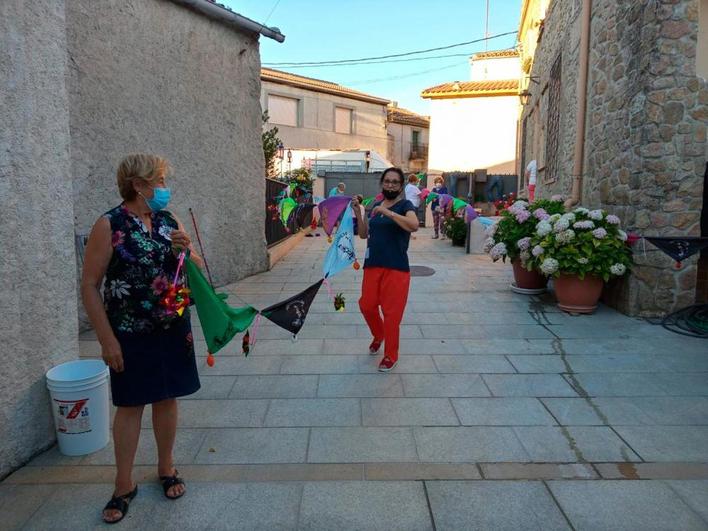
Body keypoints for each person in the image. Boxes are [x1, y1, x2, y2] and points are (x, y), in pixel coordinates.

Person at [81, 154, 204, 524]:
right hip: (129, 330)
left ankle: (166, 468)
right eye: (159, 180)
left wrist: (188, 251)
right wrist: (107, 340)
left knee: (167, 398)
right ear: (138, 185)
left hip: (172, 326)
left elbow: (194, 269)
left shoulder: (169, 221)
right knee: (131, 404)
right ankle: (123, 485)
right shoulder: (110, 224)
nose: (164, 188)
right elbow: (89, 285)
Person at [353, 167, 418, 372]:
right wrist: (359, 212)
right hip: (373, 265)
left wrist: (388, 212)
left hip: (396, 267)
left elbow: (414, 225)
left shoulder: (405, 205)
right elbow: (364, 235)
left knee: (391, 314)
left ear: (400, 186)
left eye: (395, 182)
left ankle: (391, 355)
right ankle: (378, 334)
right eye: (387, 181)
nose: (390, 185)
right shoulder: (375, 205)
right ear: (382, 183)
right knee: (366, 305)